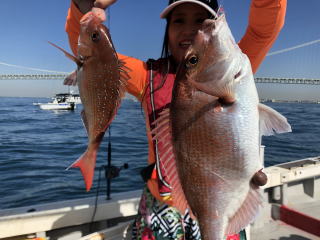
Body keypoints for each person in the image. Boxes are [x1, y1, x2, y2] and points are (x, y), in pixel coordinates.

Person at [66, 0, 286, 239]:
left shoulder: (233, 67)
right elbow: (95, 55)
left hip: (222, 208)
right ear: (166, 30)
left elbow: (264, 29)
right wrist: (87, 5)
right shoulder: (147, 76)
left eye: (202, 21)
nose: (190, 29)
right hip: (160, 208)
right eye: (178, 20)